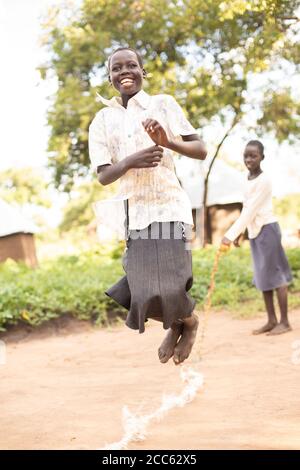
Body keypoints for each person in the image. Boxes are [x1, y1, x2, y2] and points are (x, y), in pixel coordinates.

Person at [89, 47, 207, 364]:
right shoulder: (102, 120)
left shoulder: (163, 104)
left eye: (132, 65)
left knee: (170, 286)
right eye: (117, 68)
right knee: (141, 293)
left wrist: (168, 143)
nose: (124, 71)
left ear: (143, 71)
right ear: (110, 76)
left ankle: (187, 325)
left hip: (169, 206)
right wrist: (131, 161)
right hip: (136, 214)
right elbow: (103, 176)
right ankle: (183, 320)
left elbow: (200, 149)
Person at [221, 140, 292, 335]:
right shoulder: (246, 179)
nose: (249, 159)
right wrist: (241, 232)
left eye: (253, 155)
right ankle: (271, 320)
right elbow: (246, 207)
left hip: (268, 230)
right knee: (263, 277)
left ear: (262, 157)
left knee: (277, 277)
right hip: (254, 232)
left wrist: (230, 234)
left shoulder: (265, 180)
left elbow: (252, 209)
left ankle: (284, 322)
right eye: (246, 155)